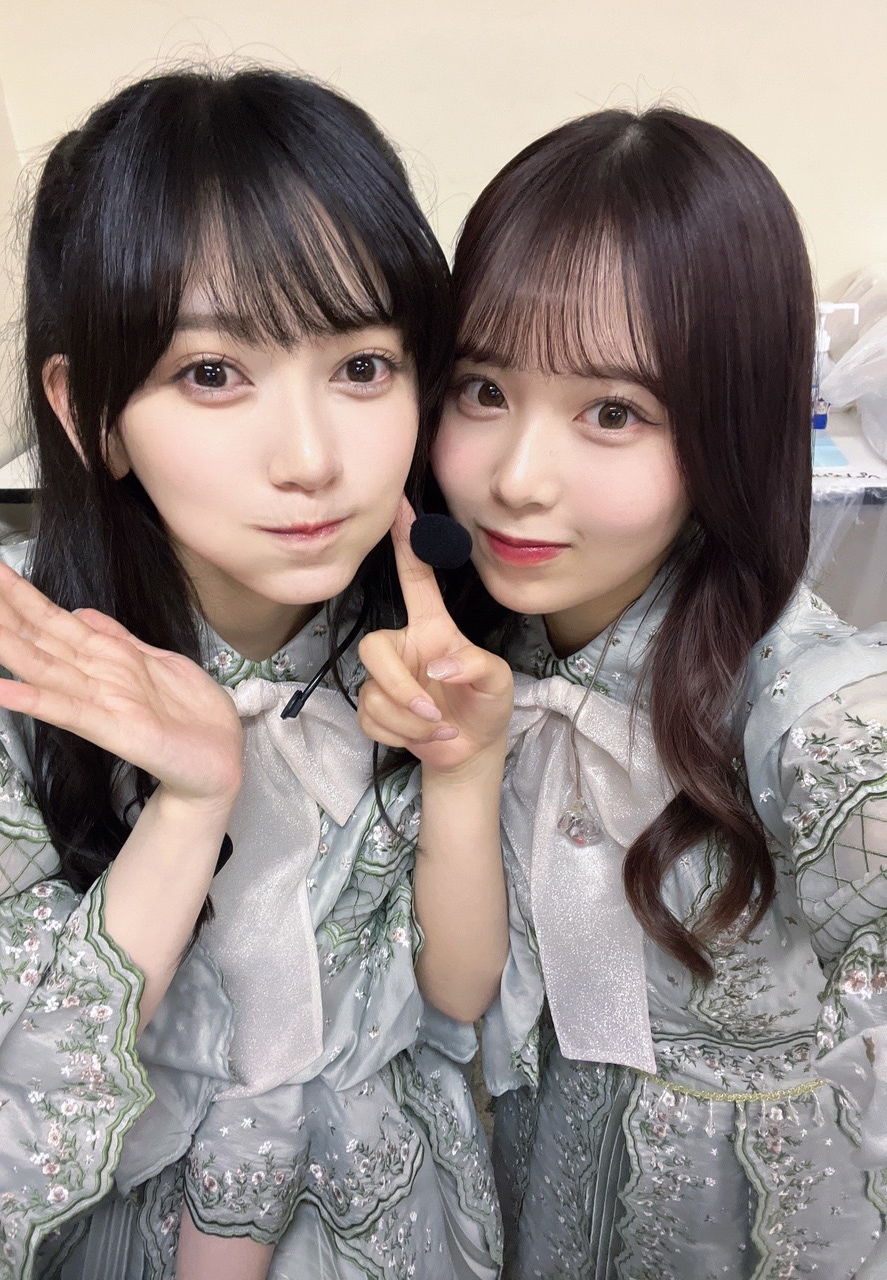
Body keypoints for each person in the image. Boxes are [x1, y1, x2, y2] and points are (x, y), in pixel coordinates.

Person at [0, 67, 501, 1279]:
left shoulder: (426, 633)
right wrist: (188, 809)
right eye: (211, 373)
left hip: (389, 1209)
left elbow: (456, 1001)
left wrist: (464, 765)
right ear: (89, 415)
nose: (311, 458)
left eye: (362, 366)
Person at [363, 107, 887, 1278]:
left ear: (730, 425)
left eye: (613, 411)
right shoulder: (477, 650)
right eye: (483, 389)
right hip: (536, 1195)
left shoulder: (823, 719)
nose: (516, 478)